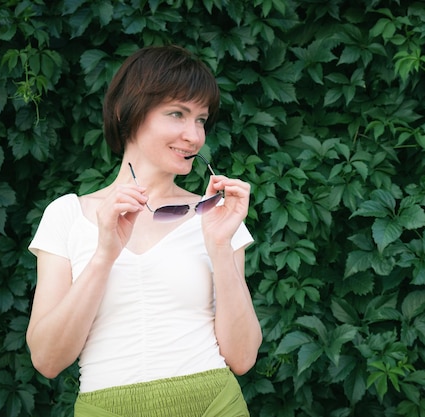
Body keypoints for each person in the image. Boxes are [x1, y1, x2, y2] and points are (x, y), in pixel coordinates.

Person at [26, 45, 262, 417]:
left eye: (201, 119)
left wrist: (219, 246)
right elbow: (47, 359)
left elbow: (243, 356)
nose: (194, 135)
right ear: (128, 113)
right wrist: (105, 254)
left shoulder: (217, 215)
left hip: (216, 405)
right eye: (177, 114)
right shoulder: (68, 215)